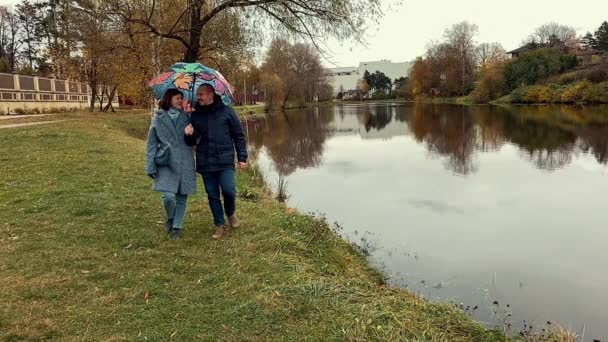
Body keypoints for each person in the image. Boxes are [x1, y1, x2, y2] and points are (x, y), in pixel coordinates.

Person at [185, 84, 247, 240]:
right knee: (212, 195)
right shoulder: (195, 115)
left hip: (225, 160)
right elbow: (191, 142)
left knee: (229, 190)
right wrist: (189, 134)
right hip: (205, 161)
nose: (198, 97)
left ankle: (230, 213)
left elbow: (238, 136)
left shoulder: (227, 112)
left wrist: (242, 158)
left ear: (211, 94)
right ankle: (219, 225)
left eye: (201, 94)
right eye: (197, 94)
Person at [145, 89, 197, 240]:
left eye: (182, 98)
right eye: (178, 98)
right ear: (169, 99)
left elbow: (195, 141)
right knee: (168, 196)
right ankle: (170, 217)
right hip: (166, 161)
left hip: (185, 160)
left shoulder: (188, 117)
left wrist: (191, 134)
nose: (181, 101)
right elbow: (151, 144)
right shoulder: (158, 117)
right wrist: (150, 165)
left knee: (182, 197)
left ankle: (176, 228)